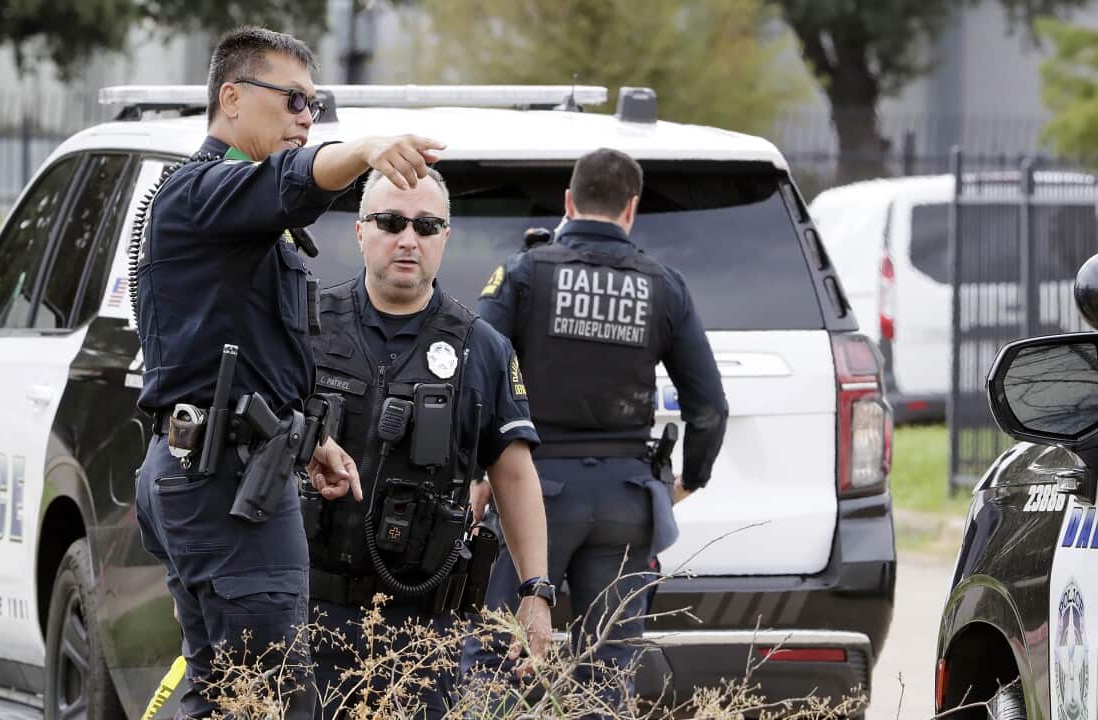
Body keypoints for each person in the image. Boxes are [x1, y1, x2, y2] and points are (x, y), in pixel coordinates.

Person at [132, 25, 446, 719]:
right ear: (233, 98)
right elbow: (291, 183)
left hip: (228, 469)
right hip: (223, 485)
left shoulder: (233, 216)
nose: (307, 118)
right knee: (274, 700)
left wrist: (310, 441)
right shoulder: (207, 191)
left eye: (316, 105)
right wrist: (362, 151)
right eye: (295, 100)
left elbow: (248, 352)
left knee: (230, 699)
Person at [462, 147, 729, 708]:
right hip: (625, 503)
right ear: (631, 209)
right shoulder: (664, 286)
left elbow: (474, 367)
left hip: (533, 492)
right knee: (608, 674)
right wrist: (687, 483)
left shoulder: (524, 272)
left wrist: (478, 469)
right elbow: (709, 407)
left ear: (567, 201)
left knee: (498, 658)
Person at [304, 167, 552, 719]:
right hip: (304, 612)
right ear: (360, 231)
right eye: (390, 221)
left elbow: (513, 473)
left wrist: (536, 589)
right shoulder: (306, 325)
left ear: (446, 237)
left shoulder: (481, 348)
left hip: (421, 631)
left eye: (426, 225)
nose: (408, 239)